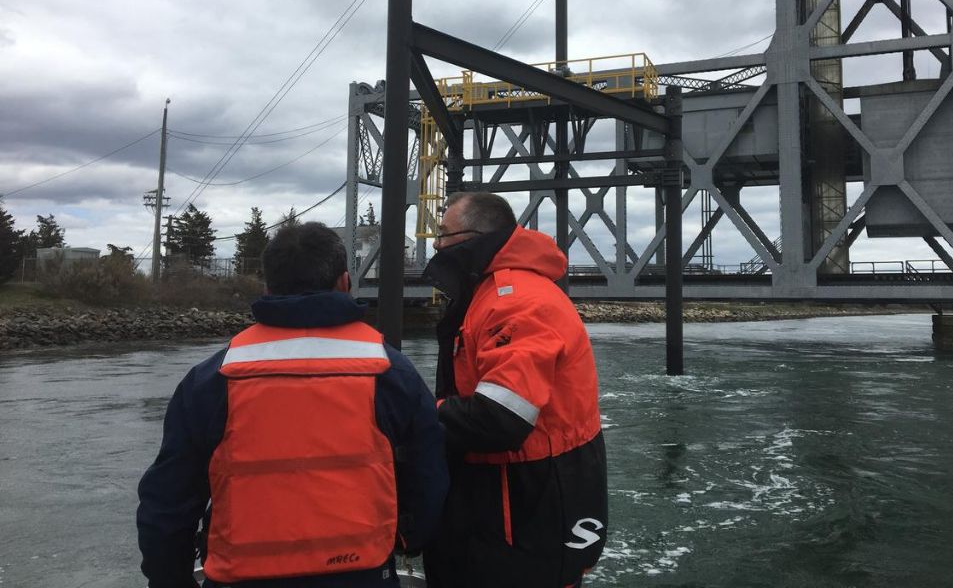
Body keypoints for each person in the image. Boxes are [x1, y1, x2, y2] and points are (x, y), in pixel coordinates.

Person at [137, 222, 447, 588]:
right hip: (361, 576)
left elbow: (168, 503)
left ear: (268, 288)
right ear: (345, 282)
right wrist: (407, 540)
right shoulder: (391, 372)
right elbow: (429, 479)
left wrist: (170, 579)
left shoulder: (213, 378)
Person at [421, 192, 607, 588]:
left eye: (443, 234)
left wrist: (420, 411)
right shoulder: (493, 292)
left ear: (475, 237)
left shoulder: (515, 300)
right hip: (508, 499)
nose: (436, 245)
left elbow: (500, 419)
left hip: (520, 507)